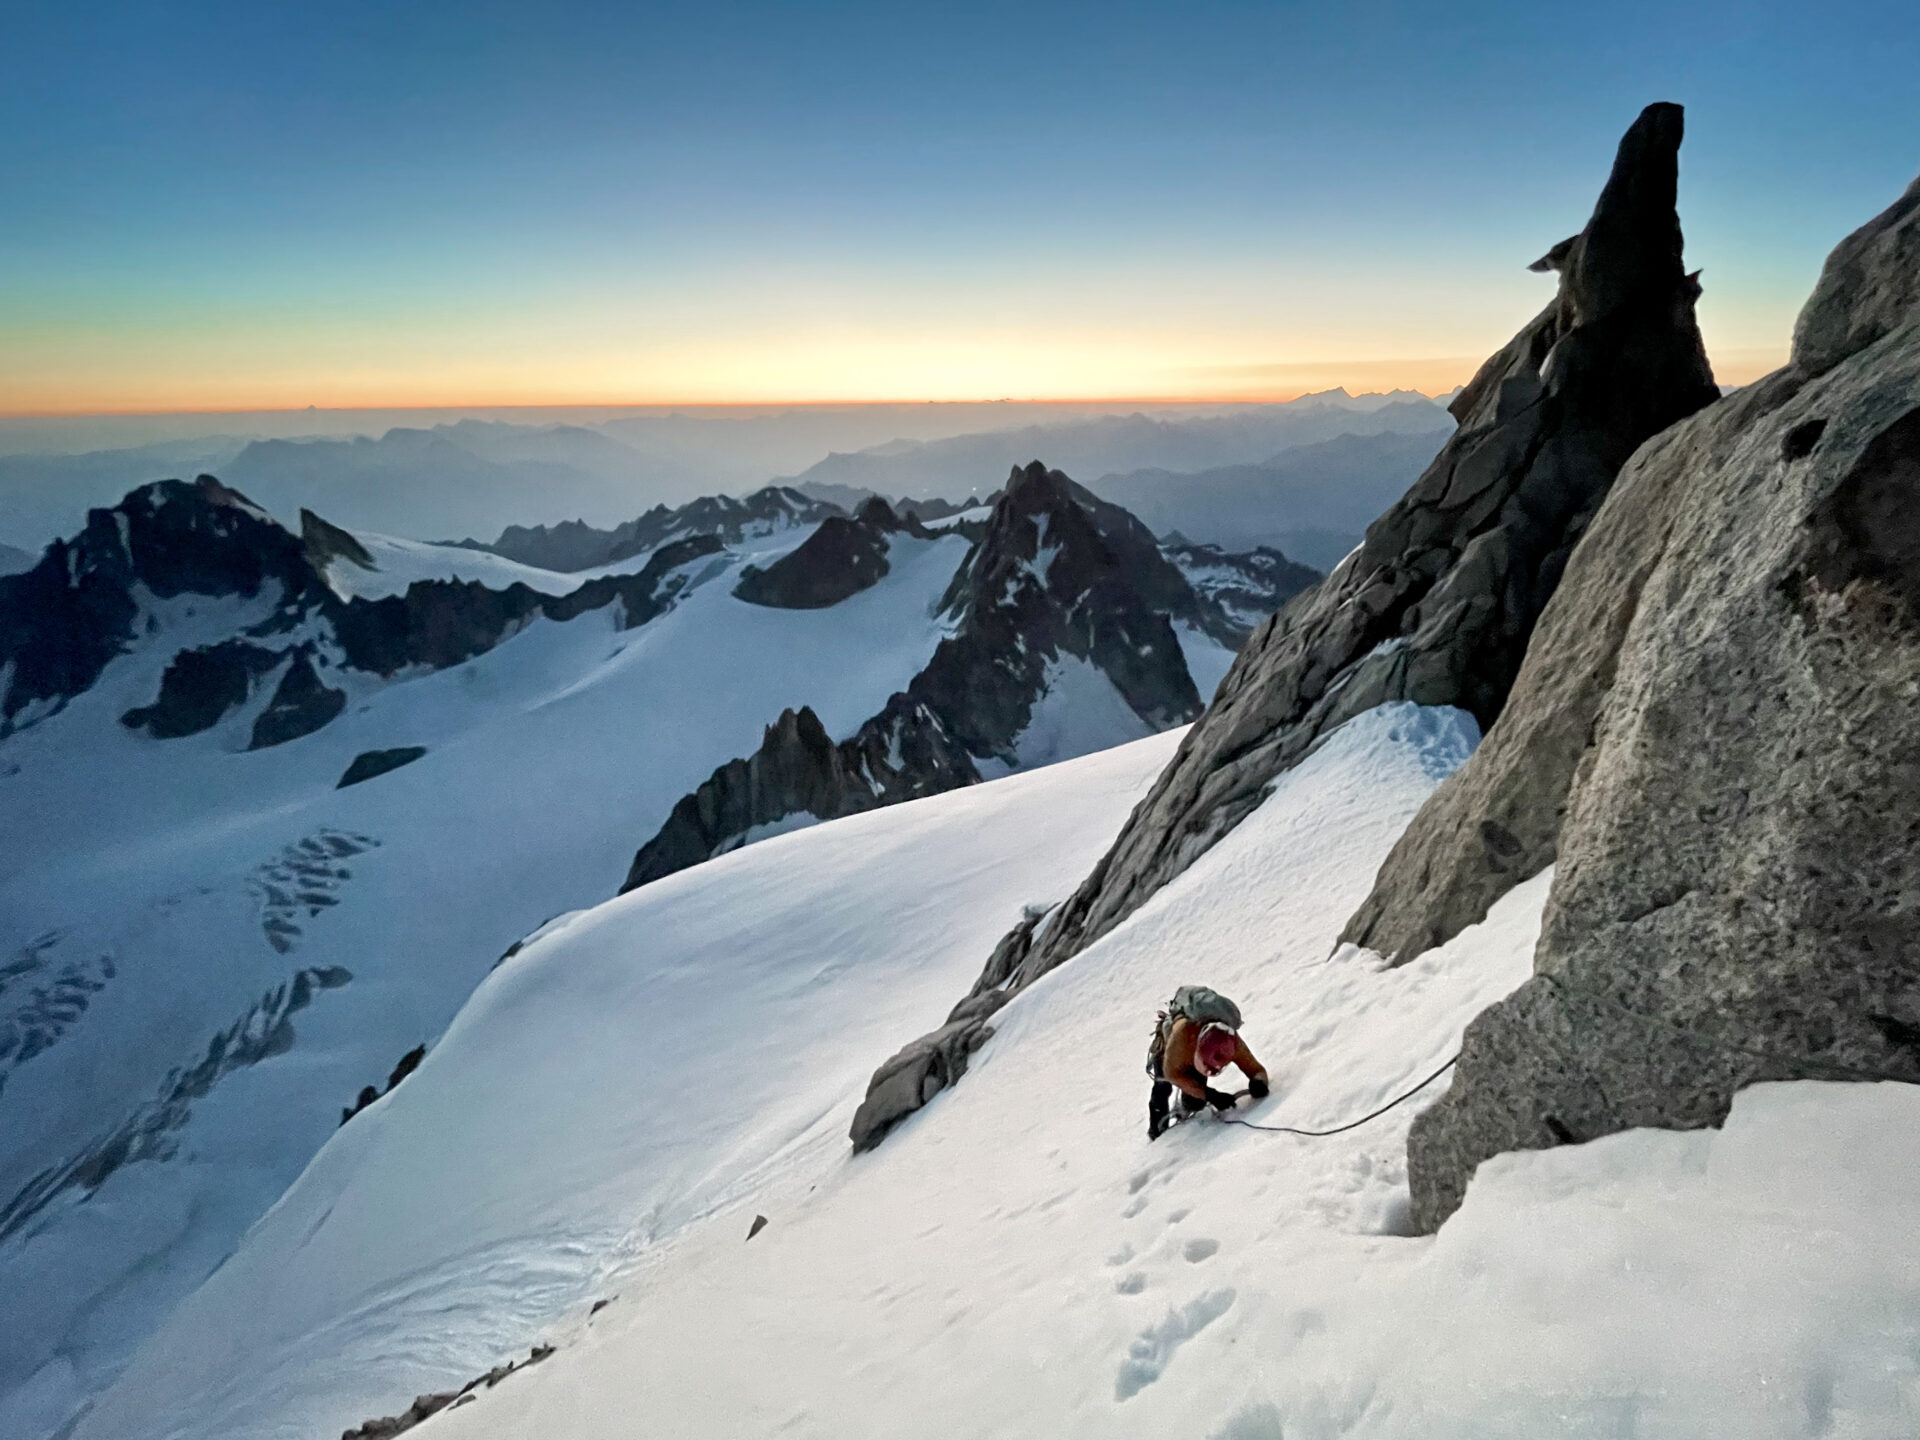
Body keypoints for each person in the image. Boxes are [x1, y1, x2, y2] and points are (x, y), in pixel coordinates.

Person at [1147, 1005, 1268, 1140]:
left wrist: (1258, 1082)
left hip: (1194, 1056)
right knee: (1162, 1088)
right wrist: (1209, 1094)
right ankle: (1156, 1131)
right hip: (1166, 1052)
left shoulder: (1234, 1046)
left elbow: (1256, 1070)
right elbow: (1173, 1076)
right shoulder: (1179, 1042)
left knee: (1195, 1102)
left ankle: (1186, 1105)